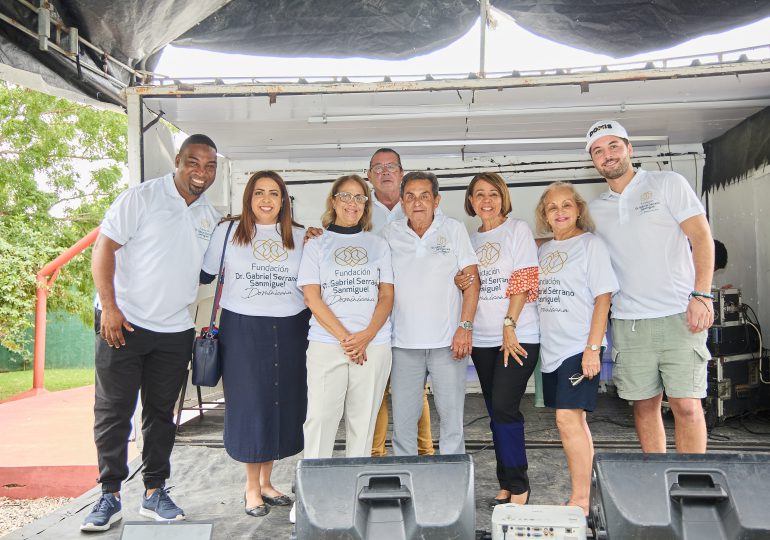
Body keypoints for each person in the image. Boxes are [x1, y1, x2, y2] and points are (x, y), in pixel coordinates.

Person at [82, 134, 221, 531]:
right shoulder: (140, 198)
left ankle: (153, 492)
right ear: (178, 161)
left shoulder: (208, 215)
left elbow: (206, 271)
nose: (201, 172)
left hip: (175, 330)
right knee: (113, 411)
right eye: (194, 162)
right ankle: (108, 496)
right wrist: (109, 306)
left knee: (161, 415)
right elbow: (103, 250)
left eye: (209, 166)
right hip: (122, 322)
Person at [586, 119, 714, 453]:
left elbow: (701, 237)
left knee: (687, 406)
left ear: (629, 148)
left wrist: (702, 294)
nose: (607, 155)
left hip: (680, 316)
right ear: (593, 161)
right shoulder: (595, 211)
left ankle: (694, 484)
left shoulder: (667, 183)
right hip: (629, 323)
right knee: (644, 407)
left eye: (614, 146)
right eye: (598, 151)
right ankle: (658, 480)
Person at [200, 171, 309, 518]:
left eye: (274, 193)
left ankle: (266, 482)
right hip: (243, 329)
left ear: (284, 200)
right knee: (251, 405)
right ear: (248, 198)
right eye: (259, 192)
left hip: (291, 327)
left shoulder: (303, 236)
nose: (266, 199)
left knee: (278, 402)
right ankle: (250, 488)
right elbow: (203, 273)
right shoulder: (228, 232)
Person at [381, 171, 480, 456]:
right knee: (403, 426)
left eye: (424, 196)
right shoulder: (389, 234)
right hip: (403, 345)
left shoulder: (454, 229)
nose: (417, 203)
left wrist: (465, 327)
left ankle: (452, 487)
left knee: (451, 424)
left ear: (436, 200)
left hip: (448, 344)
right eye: (410, 197)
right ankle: (408, 486)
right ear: (401, 202)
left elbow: (472, 280)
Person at [535, 181, 618, 516]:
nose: (560, 212)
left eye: (566, 205)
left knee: (567, 420)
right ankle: (587, 491)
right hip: (550, 351)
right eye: (552, 207)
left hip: (578, 347)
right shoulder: (543, 251)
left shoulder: (590, 245)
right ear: (544, 213)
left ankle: (581, 499)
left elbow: (603, 296)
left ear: (578, 209)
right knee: (574, 423)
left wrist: (593, 348)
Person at [297, 174, 394, 461]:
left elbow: (386, 296)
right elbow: (311, 297)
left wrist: (365, 337)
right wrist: (346, 339)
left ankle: (355, 487)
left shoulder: (379, 245)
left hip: (373, 346)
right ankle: (313, 492)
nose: (353, 203)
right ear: (334, 201)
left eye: (360, 197)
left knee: (363, 423)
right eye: (346, 196)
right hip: (327, 344)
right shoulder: (316, 244)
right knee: (320, 419)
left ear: (366, 205)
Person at [460, 172, 540, 505]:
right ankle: (506, 482)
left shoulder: (517, 229)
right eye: (479, 194)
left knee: (506, 409)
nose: (486, 200)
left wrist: (510, 324)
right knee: (496, 412)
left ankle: (519, 486)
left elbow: (525, 278)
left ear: (503, 197)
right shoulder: (469, 239)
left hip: (518, 336)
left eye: (493, 193)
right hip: (482, 340)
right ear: (471, 201)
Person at [367, 148, 434, 457]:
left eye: (391, 166)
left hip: (412, 316)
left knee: (414, 390)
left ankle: (425, 455)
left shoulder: (422, 209)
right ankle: (375, 457)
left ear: (402, 172)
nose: (385, 171)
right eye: (378, 167)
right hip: (373, 315)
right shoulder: (360, 209)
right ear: (369, 176)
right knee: (375, 391)